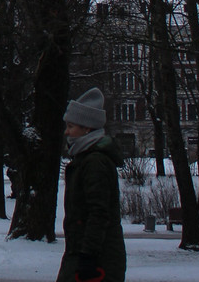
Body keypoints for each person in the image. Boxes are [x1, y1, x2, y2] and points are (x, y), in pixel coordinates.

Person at [57, 88, 126, 282]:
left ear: (87, 129)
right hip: (88, 255)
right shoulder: (85, 159)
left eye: (71, 126)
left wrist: (88, 256)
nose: (66, 132)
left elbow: (98, 213)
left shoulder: (94, 162)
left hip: (96, 259)